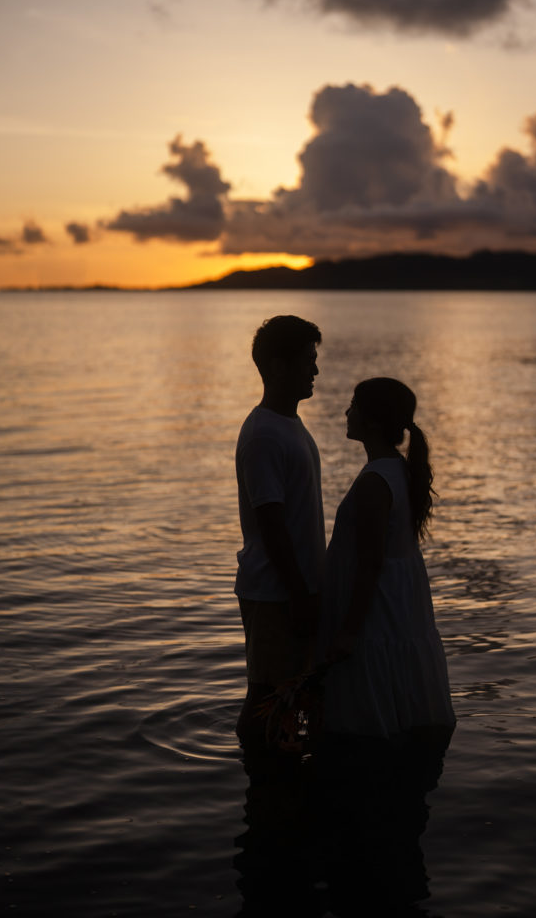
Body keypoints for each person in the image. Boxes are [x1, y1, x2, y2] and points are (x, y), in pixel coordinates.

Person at [318, 377, 455, 739]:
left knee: (368, 715)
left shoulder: (375, 483)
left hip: (378, 612)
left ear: (373, 422)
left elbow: (371, 562)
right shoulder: (398, 470)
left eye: (354, 406)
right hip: (397, 605)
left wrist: (348, 631)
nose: (346, 412)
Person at [235, 315, 325, 748]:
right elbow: (271, 525)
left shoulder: (288, 425)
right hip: (276, 592)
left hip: (293, 589)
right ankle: (257, 771)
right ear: (276, 366)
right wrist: (300, 596)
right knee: (266, 694)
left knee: (296, 693)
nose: (315, 371)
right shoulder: (264, 435)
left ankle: (291, 768)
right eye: (307, 361)